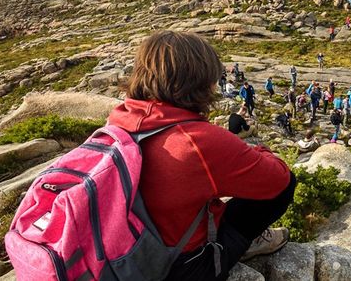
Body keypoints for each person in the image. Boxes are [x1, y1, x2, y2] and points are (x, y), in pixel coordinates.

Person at [108, 30, 295, 281]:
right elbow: (278, 179)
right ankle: (244, 244)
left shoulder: (118, 120)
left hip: (123, 253)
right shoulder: (197, 141)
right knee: (286, 185)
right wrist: (256, 150)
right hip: (181, 268)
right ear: (200, 79)